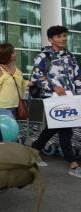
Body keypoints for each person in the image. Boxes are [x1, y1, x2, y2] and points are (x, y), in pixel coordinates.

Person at [30, 25, 81, 177]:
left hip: (70, 97)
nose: (63, 39)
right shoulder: (43, 56)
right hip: (52, 98)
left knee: (54, 127)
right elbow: (36, 77)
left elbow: (77, 77)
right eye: (59, 36)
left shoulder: (70, 56)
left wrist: (79, 95)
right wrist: (54, 87)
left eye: (64, 35)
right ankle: (72, 163)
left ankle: (34, 149)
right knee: (65, 128)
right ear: (51, 39)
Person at [0, 43, 28, 118]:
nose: (15, 54)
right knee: (7, 130)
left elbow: (21, 83)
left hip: (16, 107)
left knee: (14, 129)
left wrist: (38, 81)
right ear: (6, 55)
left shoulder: (14, 67)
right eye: (13, 52)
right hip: (2, 109)